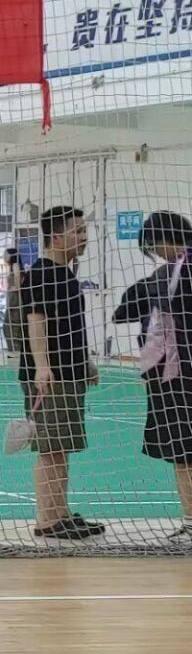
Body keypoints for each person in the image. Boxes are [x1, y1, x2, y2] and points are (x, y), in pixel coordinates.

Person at [20, 205, 103, 540]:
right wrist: (42, 367)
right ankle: (47, 520)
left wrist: (85, 363)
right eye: (77, 231)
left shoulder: (66, 274)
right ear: (56, 237)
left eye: (84, 231)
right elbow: (36, 322)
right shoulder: (41, 274)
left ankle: (61, 514)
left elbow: (70, 329)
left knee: (61, 447)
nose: (84, 237)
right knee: (51, 448)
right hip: (50, 377)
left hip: (69, 373)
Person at [116, 211, 192, 540]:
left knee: (184, 452)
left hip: (180, 376)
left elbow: (124, 310)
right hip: (173, 374)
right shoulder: (165, 275)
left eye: (153, 246)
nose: (155, 253)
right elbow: (125, 310)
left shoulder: (176, 273)